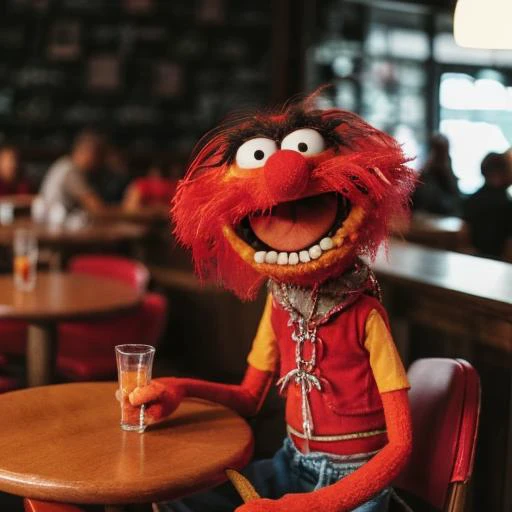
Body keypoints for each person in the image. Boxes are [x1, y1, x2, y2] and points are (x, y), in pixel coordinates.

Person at [39, 131, 107, 214]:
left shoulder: (65, 163)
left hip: (52, 222)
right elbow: (96, 208)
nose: (98, 162)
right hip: (55, 224)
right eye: (98, 156)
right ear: (89, 152)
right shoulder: (71, 171)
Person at [463, 151, 512, 259]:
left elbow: (464, 238)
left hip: (472, 260)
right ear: (499, 173)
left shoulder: (472, 200)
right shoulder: (507, 205)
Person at [413, 134, 461, 215]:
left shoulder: (447, 170)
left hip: (444, 217)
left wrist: (445, 172)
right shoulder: (424, 172)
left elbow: (455, 200)